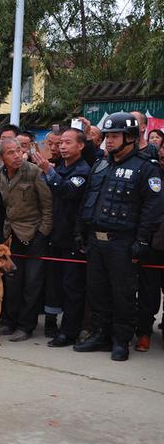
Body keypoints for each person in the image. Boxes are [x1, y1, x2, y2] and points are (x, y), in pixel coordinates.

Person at [74, 112, 163, 361]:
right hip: (96, 240)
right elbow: (87, 201)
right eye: (107, 136)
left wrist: (142, 241)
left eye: (115, 136)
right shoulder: (101, 165)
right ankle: (100, 335)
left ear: (131, 138)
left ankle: (120, 340)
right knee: (97, 291)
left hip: (123, 243)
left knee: (122, 294)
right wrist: (80, 232)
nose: (108, 141)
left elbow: (152, 209)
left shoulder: (146, 168)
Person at [30, 128, 90, 347]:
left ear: (81, 145)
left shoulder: (82, 170)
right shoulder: (60, 168)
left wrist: (48, 171)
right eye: (60, 143)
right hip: (54, 235)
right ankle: (55, 325)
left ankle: (70, 331)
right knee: (55, 285)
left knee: (72, 287)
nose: (62, 147)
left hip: (72, 238)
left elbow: (67, 191)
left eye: (67, 142)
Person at [0, 138, 53, 342]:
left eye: (18, 150)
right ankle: (9, 321)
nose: (17, 155)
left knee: (32, 284)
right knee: (12, 282)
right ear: (1, 157)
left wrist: (42, 233)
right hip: (11, 236)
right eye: (10, 152)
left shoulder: (34, 172)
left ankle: (26, 326)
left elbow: (47, 206)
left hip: (34, 234)